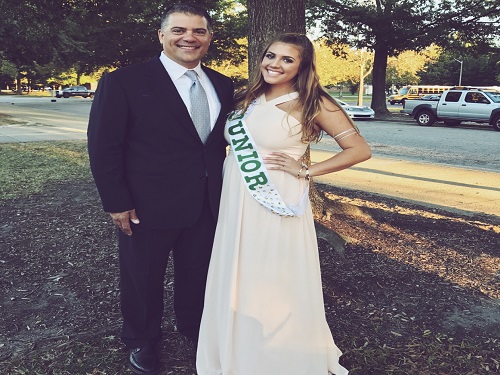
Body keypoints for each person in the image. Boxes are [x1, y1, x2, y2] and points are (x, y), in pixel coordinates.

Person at [196, 33, 371, 375]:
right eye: (270, 56)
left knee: (272, 270)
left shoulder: (314, 102)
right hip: (237, 196)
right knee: (240, 266)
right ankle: (236, 344)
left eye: (287, 59)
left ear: (302, 66)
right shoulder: (247, 98)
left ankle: (275, 354)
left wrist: (308, 169)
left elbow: (359, 150)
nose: (274, 64)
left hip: (277, 198)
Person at [87, 4, 233, 374]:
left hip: (207, 203)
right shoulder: (124, 81)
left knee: (198, 272)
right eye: (179, 30)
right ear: (161, 35)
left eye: (198, 31)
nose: (189, 38)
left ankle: (193, 327)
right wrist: (116, 202)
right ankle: (141, 340)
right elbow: (104, 146)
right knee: (142, 278)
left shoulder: (222, 84)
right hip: (145, 205)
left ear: (209, 38)